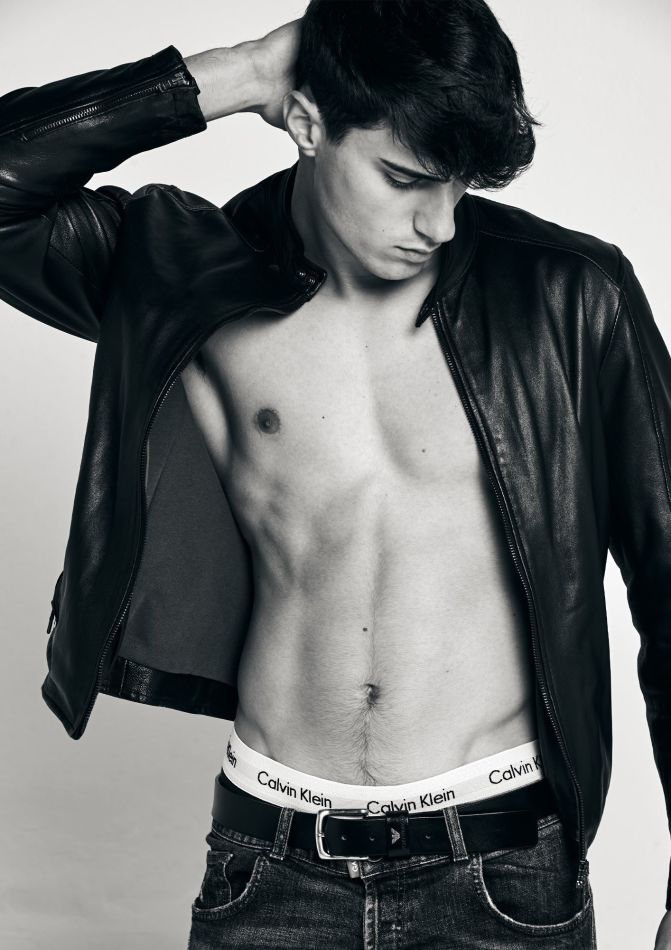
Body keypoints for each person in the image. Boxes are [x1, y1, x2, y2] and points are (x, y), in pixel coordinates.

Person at [1, 1, 670, 947]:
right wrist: (235, 74)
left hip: (503, 868)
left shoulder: (569, 294)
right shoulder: (185, 275)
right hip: (270, 864)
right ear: (308, 122)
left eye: (458, 187)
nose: (437, 224)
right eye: (404, 179)